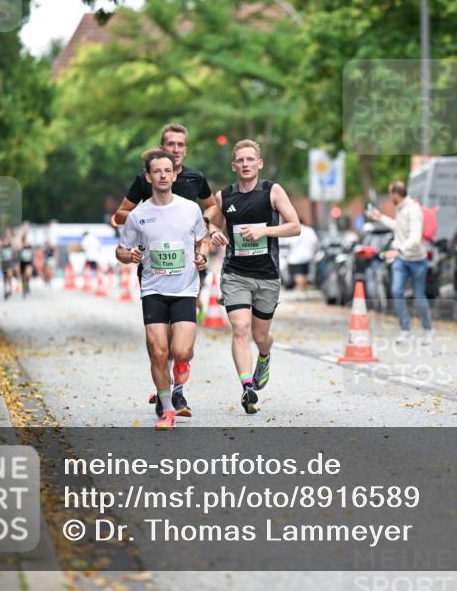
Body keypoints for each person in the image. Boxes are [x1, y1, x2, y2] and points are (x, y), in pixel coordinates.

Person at [112, 123, 217, 418]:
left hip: (185, 282)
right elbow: (121, 227)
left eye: (181, 145)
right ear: (150, 175)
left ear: (175, 173)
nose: (176, 150)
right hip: (153, 284)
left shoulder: (192, 194)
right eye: (170, 144)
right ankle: (167, 405)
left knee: (181, 349)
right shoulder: (140, 210)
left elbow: (207, 223)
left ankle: (179, 369)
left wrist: (202, 252)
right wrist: (131, 249)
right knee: (158, 349)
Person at [206, 140, 301, 414]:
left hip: (267, 276)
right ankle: (247, 387)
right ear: (234, 165)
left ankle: (265, 354)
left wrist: (264, 232)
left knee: (260, 336)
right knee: (240, 328)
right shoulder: (225, 196)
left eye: (250, 160)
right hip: (235, 273)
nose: (245, 164)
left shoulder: (272, 191)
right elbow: (212, 223)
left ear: (259, 164)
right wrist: (214, 233)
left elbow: (295, 227)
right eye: (240, 160)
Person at [369, 181, 433, 345]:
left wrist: (398, 250)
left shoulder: (413, 209)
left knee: (419, 297)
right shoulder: (401, 209)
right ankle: (405, 330)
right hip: (402, 260)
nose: (390, 198)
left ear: (396, 194)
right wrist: (381, 218)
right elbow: (399, 228)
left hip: (417, 260)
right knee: (397, 291)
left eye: (391, 194)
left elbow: (415, 237)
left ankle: (428, 330)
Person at [287, 223, 319, 295]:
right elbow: (315, 242)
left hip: (296, 257)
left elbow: (288, 243)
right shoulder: (309, 230)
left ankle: (301, 290)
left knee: (298, 275)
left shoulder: (292, 230)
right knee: (305, 274)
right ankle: (303, 290)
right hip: (308, 255)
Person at [0, 231, 17, 300]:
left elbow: (16, 247)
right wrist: (1, 245)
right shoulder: (1, 244)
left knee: (9, 275)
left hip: (10, 263)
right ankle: (5, 290)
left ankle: (10, 290)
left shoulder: (11, 243)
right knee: (5, 278)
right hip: (3, 263)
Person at [18, 232, 35, 297]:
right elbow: (17, 250)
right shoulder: (20, 245)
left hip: (28, 262)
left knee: (28, 275)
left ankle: (27, 287)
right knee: (23, 277)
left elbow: (32, 251)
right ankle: (25, 289)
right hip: (22, 262)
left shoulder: (29, 245)